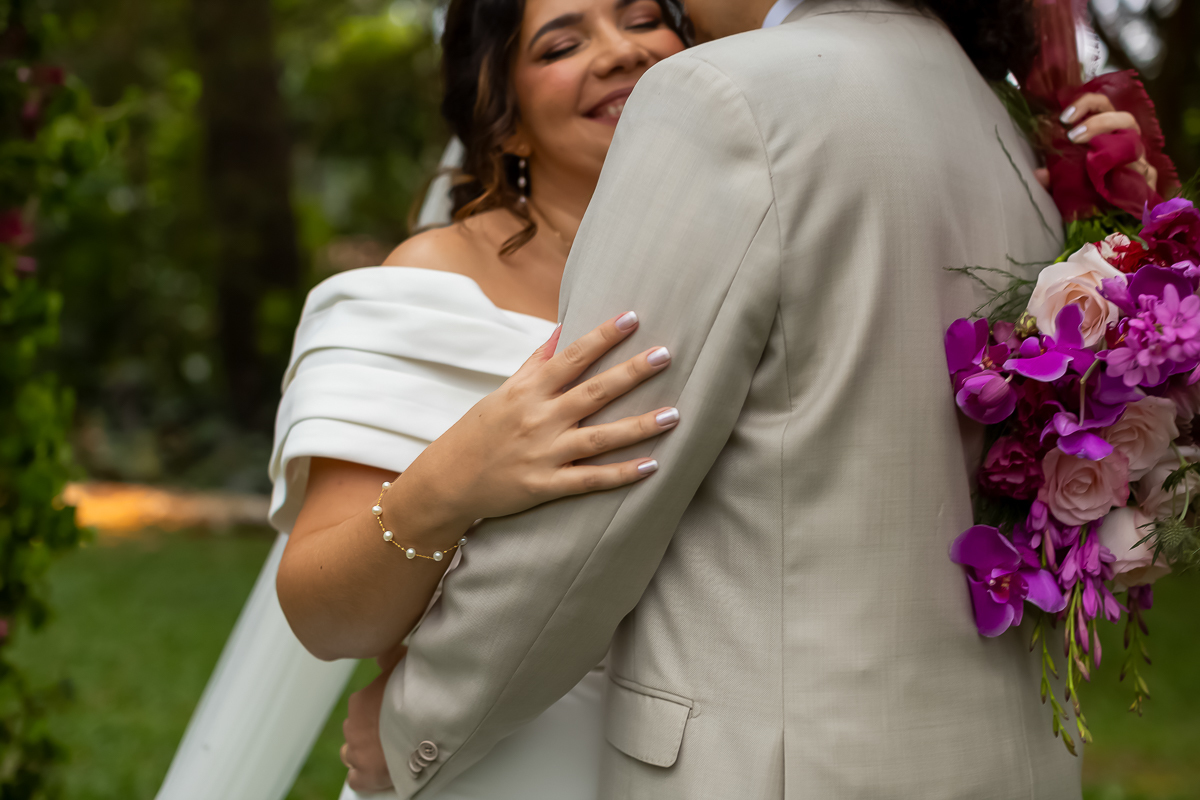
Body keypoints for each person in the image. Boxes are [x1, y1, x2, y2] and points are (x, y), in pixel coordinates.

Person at [339, 0, 1155, 798]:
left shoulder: (722, 97)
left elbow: (600, 491)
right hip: (1003, 759)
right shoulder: (994, 117)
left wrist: (415, 720)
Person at [154, 2, 689, 800]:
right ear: (504, 123)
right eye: (563, 44)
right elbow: (325, 615)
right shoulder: (434, 286)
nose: (619, 51)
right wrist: (459, 477)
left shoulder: (756, 253)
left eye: (643, 15)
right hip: (498, 766)